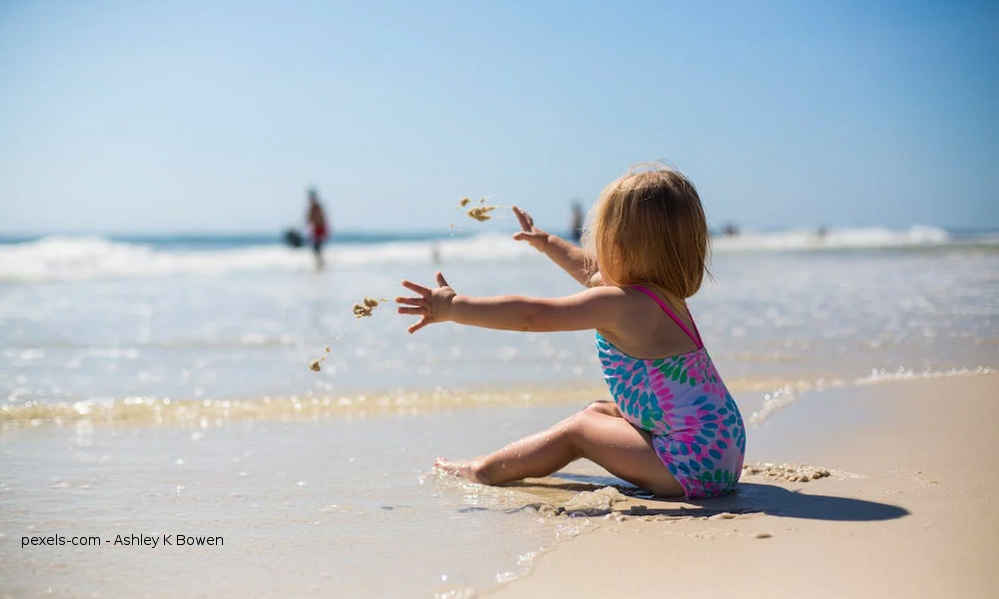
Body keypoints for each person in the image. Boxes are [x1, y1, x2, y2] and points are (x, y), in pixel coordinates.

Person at [395, 166, 746, 499]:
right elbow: (590, 272)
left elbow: (533, 316)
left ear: (618, 244)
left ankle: (483, 470)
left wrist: (454, 307)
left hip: (690, 465)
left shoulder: (623, 304)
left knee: (579, 431)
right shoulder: (662, 297)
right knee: (599, 411)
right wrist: (547, 242)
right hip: (719, 448)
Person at [306, 188, 330, 270]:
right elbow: (309, 219)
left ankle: (320, 264)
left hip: (319, 229)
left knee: (317, 248)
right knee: (316, 248)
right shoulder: (313, 207)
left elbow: (318, 219)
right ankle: (320, 264)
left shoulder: (316, 207)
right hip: (316, 229)